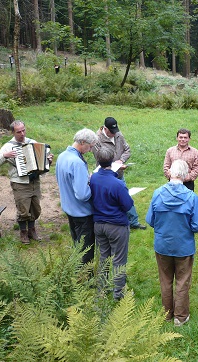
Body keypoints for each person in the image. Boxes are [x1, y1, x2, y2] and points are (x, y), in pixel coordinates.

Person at [146, 159, 198, 326]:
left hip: (162, 245)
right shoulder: (192, 198)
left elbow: (150, 220)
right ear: (186, 174)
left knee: (165, 280)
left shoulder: (157, 193)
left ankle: (166, 314)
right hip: (183, 247)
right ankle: (180, 317)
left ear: (170, 173)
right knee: (182, 280)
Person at [0, 120, 53, 244]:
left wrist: (48, 161)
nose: (22, 133)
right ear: (13, 132)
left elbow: (43, 163)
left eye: (23, 130)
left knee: (35, 208)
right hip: (19, 182)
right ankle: (23, 232)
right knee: (23, 209)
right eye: (18, 132)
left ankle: (32, 230)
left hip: (34, 181)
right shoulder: (8, 146)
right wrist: (5, 155)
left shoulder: (32, 142)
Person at [90, 147, 135, 300]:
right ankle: (118, 295)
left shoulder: (93, 178)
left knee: (104, 257)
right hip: (116, 226)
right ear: (112, 161)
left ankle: (101, 291)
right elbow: (128, 205)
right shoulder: (117, 184)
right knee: (119, 260)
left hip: (99, 224)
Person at [91, 117, 146, 230]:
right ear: (105, 129)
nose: (114, 134)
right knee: (110, 200)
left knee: (126, 196)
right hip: (105, 176)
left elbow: (127, 150)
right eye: (112, 132)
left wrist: (121, 161)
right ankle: (112, 223)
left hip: (119, 174)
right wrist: (114, 166)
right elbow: (100, 158)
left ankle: (133, 222)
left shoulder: (118, 134)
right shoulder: (96, 140)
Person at [55, 128, 98, 264]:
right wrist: (92, 185)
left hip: (69, 209)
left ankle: (77, 277)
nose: (90, 150)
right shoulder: (77, 163)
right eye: (90, 147)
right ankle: (85, 281)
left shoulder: (62, 156)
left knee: (77, 247)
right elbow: (82, 195)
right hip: (82, 214)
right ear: (83, 142)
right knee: (86, 253)